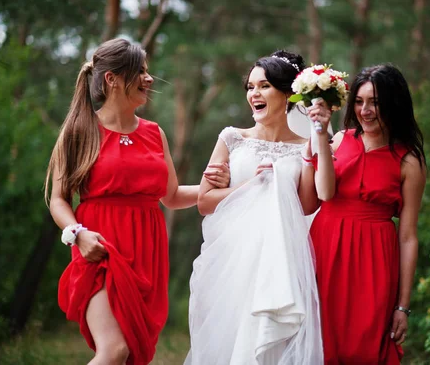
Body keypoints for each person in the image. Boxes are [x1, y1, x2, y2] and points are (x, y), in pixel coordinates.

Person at [45, 38, 229, 365]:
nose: (149, 78)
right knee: (114, 350)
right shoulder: (79, 130)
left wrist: (237, 190)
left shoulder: (154, 133)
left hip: (148, 252)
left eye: (147, 70)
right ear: (111, 79)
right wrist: (77, 234)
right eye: (139, 71)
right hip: (100, 247)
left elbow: (171, 197)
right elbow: (58, 198)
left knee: (131, 355)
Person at [184, 50, 323, 365]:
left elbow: (307, 205)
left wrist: (311, 156)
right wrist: (251, 185)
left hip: (280, 261)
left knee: (269, 343)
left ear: (287, 94)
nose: (254, 94)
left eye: (264, 87)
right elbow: (205, 202)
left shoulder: (304, 147)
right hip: (232, 261)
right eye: (250, 87)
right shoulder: (232, 139)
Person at [307, 64, 427, 364]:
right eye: (359, 102)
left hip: (374, 261)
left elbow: (409, 236)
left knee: (363, 345)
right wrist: (320, 133)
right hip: (325, 248)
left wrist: (402, 306)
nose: (366, 111)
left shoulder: (408, 161)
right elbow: (322, 194)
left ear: (394, 103)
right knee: (318, 342)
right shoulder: (337, 141)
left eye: (375, 102)